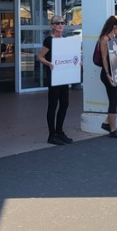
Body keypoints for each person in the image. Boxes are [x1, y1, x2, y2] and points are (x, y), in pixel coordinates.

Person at [36, 16, 73, 146]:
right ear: (52, 25)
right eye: (57, 23)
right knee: (53, 105)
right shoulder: (49, 40)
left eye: (62, 23)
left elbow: (69, 56)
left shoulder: (65, 40)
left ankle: (59, 131)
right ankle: (52, 134)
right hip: (53, 77)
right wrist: (49, 63)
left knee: (65, 103)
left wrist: (76, 62)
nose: (60, 25)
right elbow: (40, 57)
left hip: (64, 76)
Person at [98, 15, 117, 139]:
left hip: (116, 72)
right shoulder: (104, 39)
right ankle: (112, 130)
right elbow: (104, 58)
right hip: (109, 74)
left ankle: (107, 123)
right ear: (115, 27)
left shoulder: (114, 37)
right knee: (113, 100)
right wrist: (108, 75)